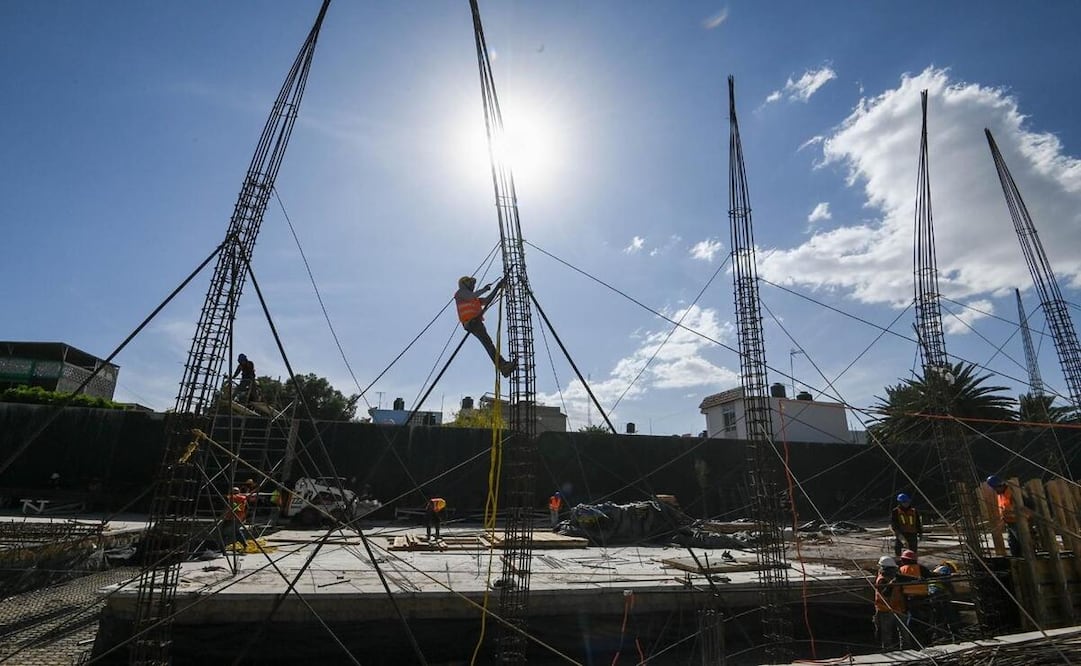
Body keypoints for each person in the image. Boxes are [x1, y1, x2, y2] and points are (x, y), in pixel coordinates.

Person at [454, 276, 516, 378]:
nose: (473, 286)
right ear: (465, 284)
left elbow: (487, 300)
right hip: (470, 323)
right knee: (489, 345)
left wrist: (497, 287)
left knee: (489, 344)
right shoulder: (460, 293)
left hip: (476, 323)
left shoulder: (475, 299)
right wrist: (484, 289)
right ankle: (503, 366)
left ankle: (503, 366)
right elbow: (471, 296)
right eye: (471, 284)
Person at [873, 555, 910, 650]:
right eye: (892, 569)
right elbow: (885, 593)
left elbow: (905, 578)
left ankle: (906, 648)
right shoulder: (881, 580)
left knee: (904, 632)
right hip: (885, 610)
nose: (894, 571)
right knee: (886, 633)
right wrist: (892, 584)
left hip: (898, 608)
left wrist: (917, 578)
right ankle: (887, 650)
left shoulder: (895, 577)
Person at [898, 549, 932, 646]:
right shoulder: (921, 568)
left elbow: (899, 586)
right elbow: (930, 576)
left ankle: (912, 641)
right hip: (923, 598)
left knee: (912, 621)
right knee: (925, 620)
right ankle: (926, 640)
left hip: (909, 599)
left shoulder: (901, 569)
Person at [987, 475, 1026, 557]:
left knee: (1023, 542)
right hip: (1010, 523)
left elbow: (1027, 506)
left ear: (999, 485)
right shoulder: (1001, 494)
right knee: (1013, 543)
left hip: (1019, 522)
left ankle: (1027, 557)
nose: (995, 490)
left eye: (995, 488)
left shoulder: (1013, 492)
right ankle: (1017, 559)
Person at [890, 492, 923, 558]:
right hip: (901, 533)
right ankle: (899, 561)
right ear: (900, 503)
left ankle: (913, 562)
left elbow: (918, 523)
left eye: (907, 502)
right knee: (898, 548)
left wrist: (920, 532)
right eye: (904, 502)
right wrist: (897, 532)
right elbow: (894, 523)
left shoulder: (914, 511)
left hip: (912, 533)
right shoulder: (896, 511)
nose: (906, 503)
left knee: (913, 550)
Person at [222, 486, 253, 552]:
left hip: (230, 517)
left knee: (224, 533)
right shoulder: (243, 498)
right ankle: (244, 544)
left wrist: (224, 515)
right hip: (239, 517)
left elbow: (226, 506)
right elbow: (247, 508)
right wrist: (244, 517)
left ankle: (222, 548)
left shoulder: (231, 497)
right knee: (237, 532)